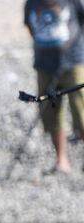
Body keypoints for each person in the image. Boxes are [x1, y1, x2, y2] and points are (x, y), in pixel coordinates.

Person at [25, 0, 84, 173]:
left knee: (80, 109)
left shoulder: (72, 2)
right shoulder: (32, 2)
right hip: (45, 64)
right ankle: (61, 160)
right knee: (51, 111)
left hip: (73, 61)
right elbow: (30, 25)